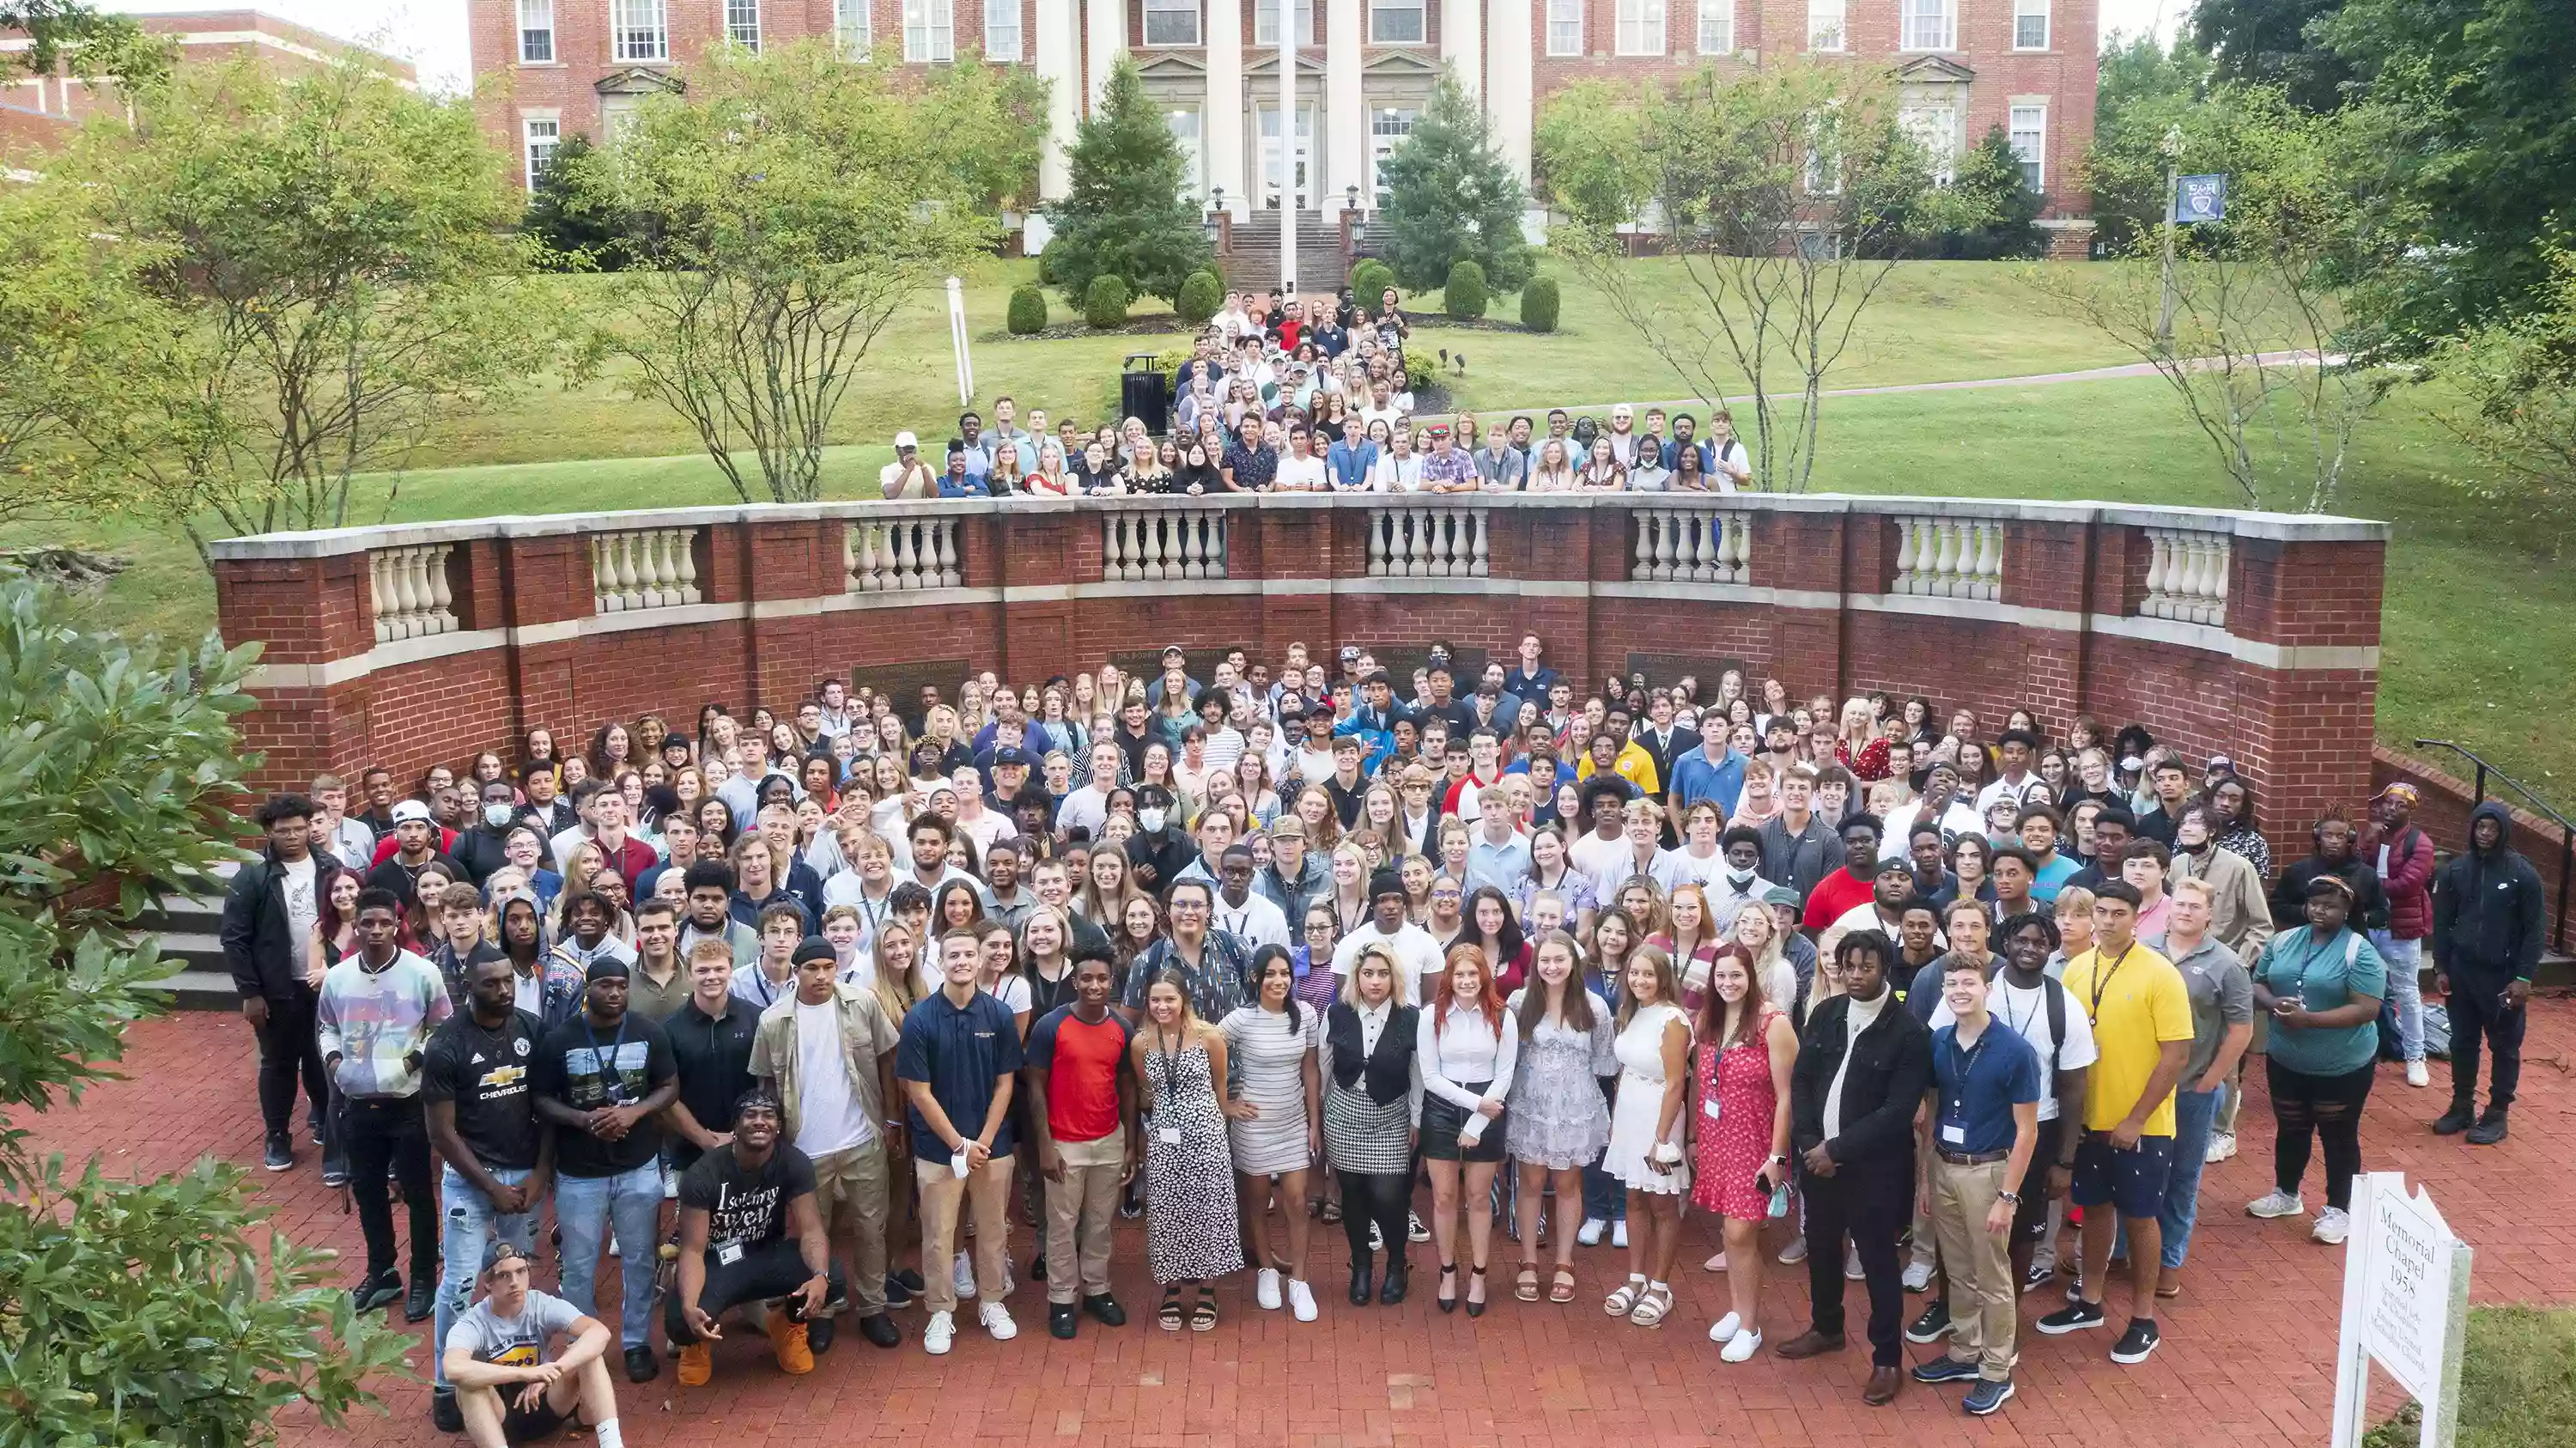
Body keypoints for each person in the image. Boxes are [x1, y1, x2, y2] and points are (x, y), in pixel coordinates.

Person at [2037, 881, 2190, 1366]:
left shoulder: (2160, 974)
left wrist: (2137, 1118)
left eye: (2118, 913)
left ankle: (2143, 1320)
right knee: (2095, 1209)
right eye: (2100, 912)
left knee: (2141, 1218)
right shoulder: (2079, 968)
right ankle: (2090, 1303)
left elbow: (2176, 1055)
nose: (2106, 921)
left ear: (2137, 916)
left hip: (2141, 1126)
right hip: (2088, 1123)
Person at [1777, 931, 1933, 1407]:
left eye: (1867, 967)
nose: (1857, 975)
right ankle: (1827, 1328)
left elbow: (1897, 1110)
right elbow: (1801, 1080)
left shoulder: (1909, 1033)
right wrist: (1809, 1144)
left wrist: (1837, 1150)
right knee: (1822, 1249)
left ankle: (1887, 1358)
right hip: (1816, 1160)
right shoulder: (1826, 1013)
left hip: (1873, 1170)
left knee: (1878, 1262)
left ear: (1884, 968)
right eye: (1849, 966)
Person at [747, 935, 906, 1353]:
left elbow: (889, 1059)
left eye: (828, 967)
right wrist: (772, 1142)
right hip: (805, 1148)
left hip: (861, 1138)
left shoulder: (862, 1004)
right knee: (816, 1234)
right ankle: (827, 1307)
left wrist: (891, 1119)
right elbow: (764, 1082)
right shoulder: (774, 1020)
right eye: (812, 969)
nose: (821, 976)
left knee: (872, 1228)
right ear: (796, 972)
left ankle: (873, 1308)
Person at [532, 957, 679, 1383]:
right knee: (578, 1266)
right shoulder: (559, 1039)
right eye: (604, 986)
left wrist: (635, 1114)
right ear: (588, 989)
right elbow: (540, 1098)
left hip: (638, 1166)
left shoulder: (648, 1032)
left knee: (638, 1260)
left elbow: (669, 1087)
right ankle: (586, 1346)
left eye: (620, 985)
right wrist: (581, 1119)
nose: (614, 993)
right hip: (580, 1172)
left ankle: (635, 1343)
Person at [425, 955, 555, 1432]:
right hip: (470, 1180)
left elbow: (548, 1108)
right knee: (460, 1284)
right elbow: (441, 1133)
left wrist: (541, 1174)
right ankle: (446, 1383)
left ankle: (517, 1371)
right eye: (492, 983)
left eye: (509, 981)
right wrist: (491, 1187)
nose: (504, 990)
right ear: (467, 986)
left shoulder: (534, 1031)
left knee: (518, 1279)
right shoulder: (446, 1046)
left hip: (525, 1177)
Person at [1907, 955, 2041, 1416]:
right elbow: (1932, 1112)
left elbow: (2028, 1131)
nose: (1959, 990)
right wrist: (1927, 1177)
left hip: (1988, 1171)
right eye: (1951, 983)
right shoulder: (1940, 1041)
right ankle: (1965, 1352)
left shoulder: (2014, 1051)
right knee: (1959, 1268)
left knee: (1993, 1275)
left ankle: (1997, 1370)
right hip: (1944, 1165)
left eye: (1968, 982)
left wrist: (2008, 1196)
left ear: (1988, 987)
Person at [315, 886, 453, 1320]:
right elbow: (326, 1027)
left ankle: (424, 1277)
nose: (376, 931)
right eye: (367, 923)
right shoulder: (338, 977)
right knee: (368, 1190)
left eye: (384, 923)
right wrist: (335, 1062)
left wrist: (413, 1060)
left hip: (408, 1101)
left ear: (398, 925)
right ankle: (382, 1272)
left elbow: (442, 1028)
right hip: (357, 1103)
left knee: (417, 1192)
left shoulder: (422, 972)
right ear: (355, 926)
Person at [897, 928, 1027, 1354]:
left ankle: (992, 1302)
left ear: (980, 958)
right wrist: (958, 1145)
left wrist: (983, 1142)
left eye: (970, 954)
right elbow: (918, 1090)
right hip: (939, 1151)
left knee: (992, 1231)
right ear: (940, 959)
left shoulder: (999, 1015)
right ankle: (940, 1311)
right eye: (953, 955)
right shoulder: (919, 1018)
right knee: (938, 1233)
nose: (962, 962)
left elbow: (1006, 1084)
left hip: (992, 1147)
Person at [667, 1091, 847, 1385]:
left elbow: (812, 1229)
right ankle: (696, 1344)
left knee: (834, 1277)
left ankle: (787, 1326)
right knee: (680, 1319)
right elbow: (693, 1251)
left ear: (778, 1126)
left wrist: (820, 1275)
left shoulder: (793, 1162)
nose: (759, 1122)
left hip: (767, 1253)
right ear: (735, 1127)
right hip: (718, 1262)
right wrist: (689, 1305)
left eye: (768, 1115)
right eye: (750, 1115)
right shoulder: (704, 1174)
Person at [2244, 877, 2387, 1244]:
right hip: (2287, 1058)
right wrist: (2274, 1004)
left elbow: (2368, 1008)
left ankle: (2339, 1209)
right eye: (2315, 903)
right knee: (2291, 1127)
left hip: (2342, 1064)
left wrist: (2311, 1020)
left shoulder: (2360, 952)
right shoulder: (2284, 940)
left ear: (2347, 911)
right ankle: (2286, 1194)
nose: (2320, 910)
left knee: (2337, 1134)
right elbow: (2259, 983)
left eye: (2331, 905)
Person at [222, 793, 345, 1173]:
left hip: (323, 983)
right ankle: (277, 1134)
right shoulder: (253, 877)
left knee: (320, 1057)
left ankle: (325, 1118)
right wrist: (251, 993)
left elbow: (345, 920)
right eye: (283, 831)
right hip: (277, 988)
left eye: (299, 828)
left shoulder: (330, 867)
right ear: (268, 833)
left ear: (311, 827)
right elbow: (235, 939)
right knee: (277, 1064)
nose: (292, 836)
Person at [1690, 946, 1799, 1363]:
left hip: (1755, 1144)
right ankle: (1738, 1310)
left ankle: (1751, 1327)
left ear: (1751, 976)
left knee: (1740, 1235)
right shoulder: (1710, 1020)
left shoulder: (1772, 1024)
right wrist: (1695, 1137)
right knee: (1728, 1233)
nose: (1728, 983)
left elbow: (1787, 1096)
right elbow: (1702, 1082)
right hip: (1718, 1140)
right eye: (1721, 976)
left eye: (1736, 976)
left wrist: (1778, 1157)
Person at [2141, 879, 2247, 1297]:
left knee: (2181, 1179)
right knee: (2135, 1176)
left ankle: (2169, 1263)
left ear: (2209, 915)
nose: (2185, 911)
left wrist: (2211, 1080)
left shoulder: (2227, 964)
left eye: (2195, 906)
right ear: (2169, 910)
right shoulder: (2143, 951)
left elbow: (2241, 1029)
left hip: (2191, 1092)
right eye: (2180, 904)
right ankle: (2123, 1254)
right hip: (2140, 1087)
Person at [1024, 954, 1139, 1338]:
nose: (1094, 986)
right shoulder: (1050, 1026)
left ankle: (1097, 1290)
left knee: (1100, 1222)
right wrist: (1044, 1144)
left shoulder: (1121, 1027)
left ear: (1111, 983)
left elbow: (1127, 1088)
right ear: (1074, 981)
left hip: (1108, 1139)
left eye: (1102, 979)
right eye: (1086, 978)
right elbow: (1036, 1085)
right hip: (1063, 1142)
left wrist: (1130, 1146)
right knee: (1062, 1225)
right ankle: (1060, 1299)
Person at [1505, 928, 1616, 1306]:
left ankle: (1565, 1262)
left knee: (1569, 1185)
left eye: (1559, 959)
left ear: (1574, 962)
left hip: (1574, 1109)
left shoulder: (1594, 1006)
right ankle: (1529, 1260)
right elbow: (1509, 1057)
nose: (1552, 966)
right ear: (1535, 964)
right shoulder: (1520, 1002)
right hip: (1530, 1107)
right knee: (1530, 1183)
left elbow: (1604, 1062)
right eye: (1545, 960)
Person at [1131, 970, 1246, 1329]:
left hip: (1206, 1136)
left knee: (1208, 1207)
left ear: (1184, 1000)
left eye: (1170, 999)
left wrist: (1227, 1108)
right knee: (1167, 1209)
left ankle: (1208, 1289)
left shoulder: (1209, 1036)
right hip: (1164, 1137)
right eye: (1155, 1000)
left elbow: (1220, 1082)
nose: (1162, 1006)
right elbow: (1144, 1089)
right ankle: (1173, 1288)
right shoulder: (1140, 1043)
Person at [1219, 947, 1325, 1322]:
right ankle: (1266, 1269)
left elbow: (1311, 1070)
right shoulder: (1241, 1019)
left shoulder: (1307, 1015)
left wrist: (1315, 1123)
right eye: (1271, 974)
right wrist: (1226, 1103)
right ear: (1255, 978)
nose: (1279, 981)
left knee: (1297, 1202)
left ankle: (1299, 1280)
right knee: (1258, 1202)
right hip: (1253, 1126)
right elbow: (1207, 1048)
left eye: (1285, 974)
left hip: (1294, 1122)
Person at [2431, 800, 2543, 1146]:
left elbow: (2535, 930)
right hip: (2463, 972)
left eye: (2492, 828)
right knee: (2462, 1041)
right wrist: (2441, 966)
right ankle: (2462, 1104)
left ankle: (2497, 1113)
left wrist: (2523, 977)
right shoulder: (2455, 871)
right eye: (2480, 827)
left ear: (2504, 832)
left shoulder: (2522, 874)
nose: (2485, 834)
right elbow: (2442, 923)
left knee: (2505, 1046)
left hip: (2503, 976)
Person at [442, 1242, 627, 1448]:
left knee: (588, 1354)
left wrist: (555, 1370)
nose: (515, 1282)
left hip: (546, 1402)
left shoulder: (542, 1304)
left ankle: (612, 1443)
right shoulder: (473, 1322)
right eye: (504, 1276)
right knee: (467, 1387)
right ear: (488, 1284)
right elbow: (453, 1368)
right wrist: (526, 1374)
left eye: (521, 1271)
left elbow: (600, 1332)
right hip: (499, 1417)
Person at [1416, 942, 1516, 1317]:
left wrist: (1478, 1120)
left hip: (1487, 1107)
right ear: (1449, 978)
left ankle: (1478, 1274)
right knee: (1443, 1199)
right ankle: (1447, 1270)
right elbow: (1429, 1076)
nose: (1466, 980)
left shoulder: (1503, 1015)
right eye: (1459, 974)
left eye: (1473, 973)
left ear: (1483, 976)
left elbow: (1505, 1072)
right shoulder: (1432, 1015)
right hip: (1443, 1108)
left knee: (1478, 1199)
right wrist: (1474, 1106)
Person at [1321, 942, 1422, 1306]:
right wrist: (1318, 1117)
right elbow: (1323, 1063)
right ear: (1357, 977)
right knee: (1353, 1194)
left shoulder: (1411, 1017)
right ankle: (1361, 1265)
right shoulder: (1337, 1012)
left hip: (1391, 1114)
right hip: (1344, 1112)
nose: (1375, 981)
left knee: (1388, 1196)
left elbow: (1419, 1072)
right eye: (1368, 974)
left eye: (1382, 974)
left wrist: (1417, 1116)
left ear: (1393, 977)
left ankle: (1397, 1263)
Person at [1600, 946, 1692, 1329]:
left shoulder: (1673, 1019)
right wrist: (1616, 1121)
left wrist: (1661, 1138)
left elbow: (1675, 1083)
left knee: (1663, 1204)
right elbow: (1625, 1070)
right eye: (1634, 973)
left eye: (1649, 974)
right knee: (1633, 1198)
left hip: (1660, 1116)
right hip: (1630, 1112)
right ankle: (1635, 1279)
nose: (1640, 980)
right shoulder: (1631, 1012)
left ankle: (1660, 1287)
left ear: (1663, 978)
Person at [2360, 783, 2437, 1088]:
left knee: (2406, 993)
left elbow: (2409, 884)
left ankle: (2415, 1057)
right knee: (2362, 987)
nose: (2391, 809)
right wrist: (2367, 839)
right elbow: (2356, 864)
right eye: (2387, 803)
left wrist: (2367, 888)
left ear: (2411, 811)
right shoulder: (2373, 836)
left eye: (2399, 805)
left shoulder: (2420, 844)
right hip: (2367, 925)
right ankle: (2366, 1050)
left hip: (2399, 928)